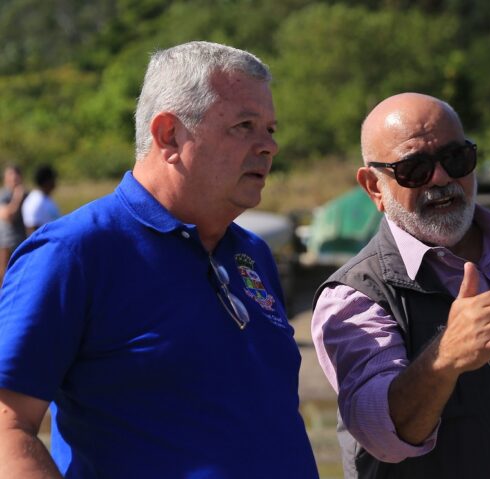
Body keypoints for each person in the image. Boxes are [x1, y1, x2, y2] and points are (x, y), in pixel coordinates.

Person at [0, 41, 318, 478]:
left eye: (271, 129)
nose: (269, 147)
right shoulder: (75, 251)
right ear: (168, 135)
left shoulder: (253, 253)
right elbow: (8, 431)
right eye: (245, 126)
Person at [312, 92, 490, 479]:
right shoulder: (355, 294)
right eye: (414, 168)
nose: (441, 178)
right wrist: (445, 358)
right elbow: (379, 436)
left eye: (456, 159)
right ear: (373, 186)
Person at [0, 164, 26, 284]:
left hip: (21, 241)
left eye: (16, 175)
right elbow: (8, 216)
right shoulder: (3, 195)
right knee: (5, 277)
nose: (14, 178)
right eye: (10, 175)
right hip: (5, 245)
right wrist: (17, 198)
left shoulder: (27, 195)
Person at [21, 164, 60, 234]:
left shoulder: (46, 198)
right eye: (53, 179)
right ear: (47, 181)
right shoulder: (35, 200)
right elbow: (31, 227)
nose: (55, 182)